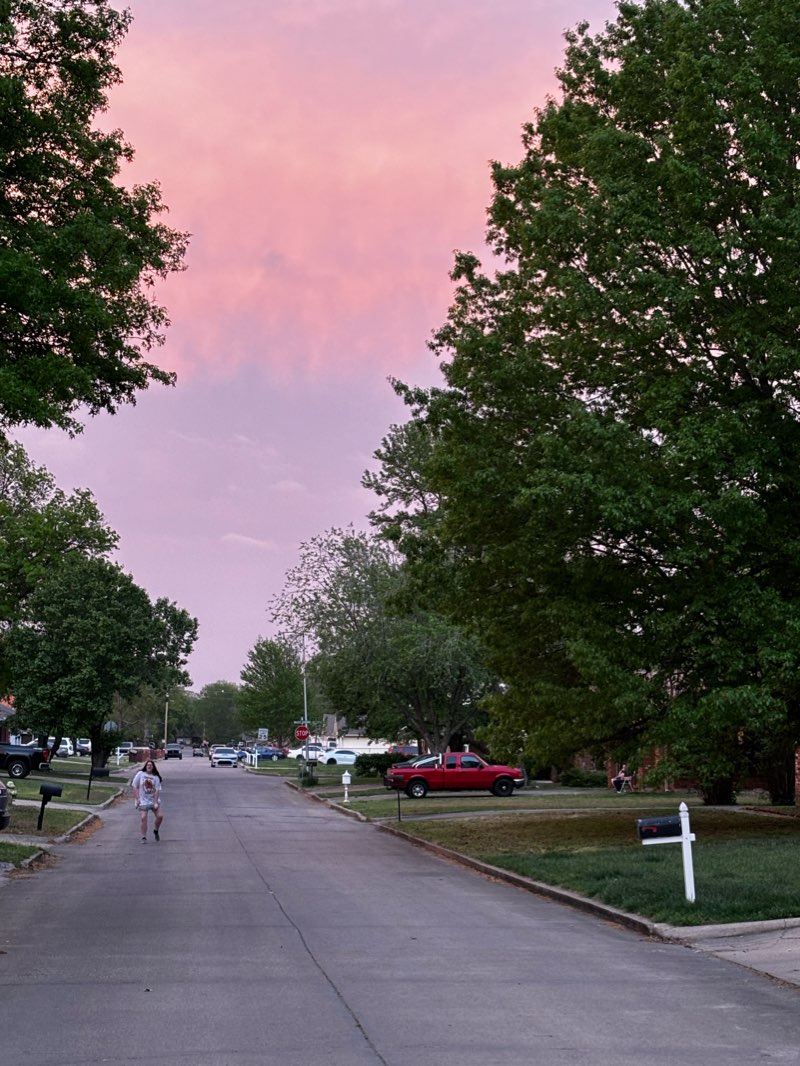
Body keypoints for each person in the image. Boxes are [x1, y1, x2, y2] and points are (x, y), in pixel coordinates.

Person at [132, 758, 163, 841]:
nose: (149, 766)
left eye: (151, 765)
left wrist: (155, 802)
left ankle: (156, 830)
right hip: (143, 800)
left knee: (160, 816)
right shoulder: (140, 774)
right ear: (145, 766)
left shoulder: (156, 777)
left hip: (153, 800)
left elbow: (157, 790)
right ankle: (143, 836)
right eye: (148, 765)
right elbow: (135, 786)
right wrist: (137, 799)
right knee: (143, 817)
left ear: (153, 767)